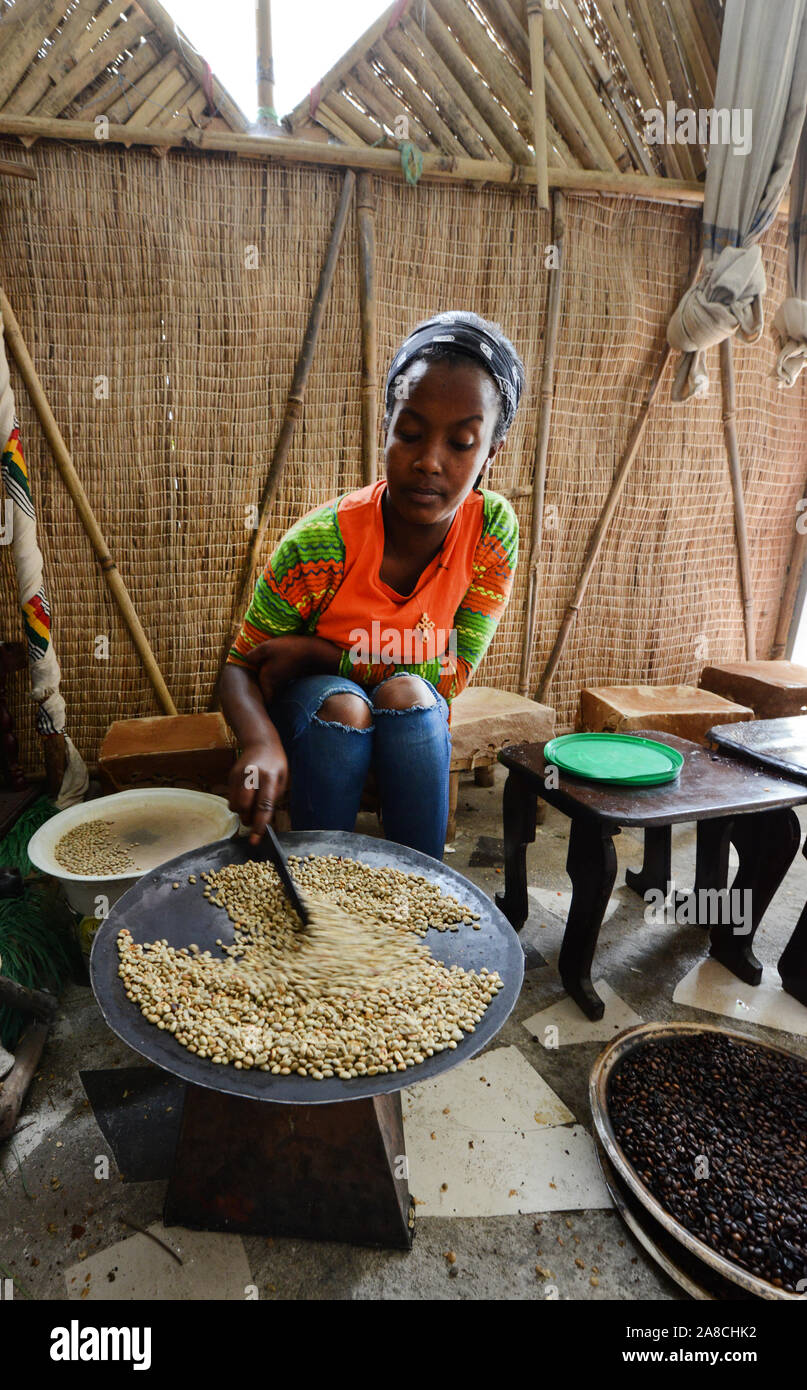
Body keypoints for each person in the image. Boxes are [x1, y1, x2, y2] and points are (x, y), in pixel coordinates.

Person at [219, 309, 525, 861]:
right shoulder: (320, 546)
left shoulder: (492, 533)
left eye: (461, 443)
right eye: (409, 433)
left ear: (489, 455)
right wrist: (261, 743)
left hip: (408, 715)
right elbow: (241, 667)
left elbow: (451, 672)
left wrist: (324, 652)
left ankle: (418, 890)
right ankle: (321, 876)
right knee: (345, 708)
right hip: (313, 720)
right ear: (385, 426)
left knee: (410, 696)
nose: (428, 461)